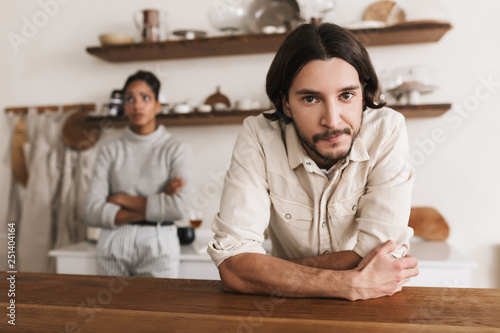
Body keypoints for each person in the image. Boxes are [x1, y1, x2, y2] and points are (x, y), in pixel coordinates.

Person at [207, 23, 419, 301]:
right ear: (285, 104)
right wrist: (348, 284)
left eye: (346, 95)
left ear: (363, 94)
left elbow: (380, 256)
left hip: (370, 305)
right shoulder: (258, 135)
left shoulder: (387, 130)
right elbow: (233, 268)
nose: (332, 120)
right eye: (310, 98)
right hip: (285, 310)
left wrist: (266, 271)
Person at [83, 70, 193, 277]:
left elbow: (179, 208)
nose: (137, 105)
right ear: (124, 106)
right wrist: (160, 202)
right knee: (111, 310)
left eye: (145, 97)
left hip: (160, 240)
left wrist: (120, 199)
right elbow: (90, 211)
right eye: (130, 99)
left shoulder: (177, 148)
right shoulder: (109, 149)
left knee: (156, 309)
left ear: (158, 105)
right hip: (113, 241)